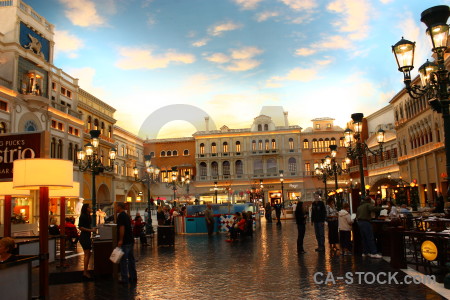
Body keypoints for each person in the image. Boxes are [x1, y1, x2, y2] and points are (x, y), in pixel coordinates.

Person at [117, 202, 137, 284]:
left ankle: (124, 278)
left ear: (119, 207)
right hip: (130, 239)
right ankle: (133, 276)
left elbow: (122, 228)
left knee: (123, 260)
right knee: (131, 259)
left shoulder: (121, 216)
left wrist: (120, 240)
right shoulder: (126, 215)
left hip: (125, 241)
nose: (115, 208)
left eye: (116, 207)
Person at [78, 204, 97, 279]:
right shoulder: (83, 216)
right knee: (87, 253)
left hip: (87, 236)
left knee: (88, 254)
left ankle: (86, 270)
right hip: (84, 237)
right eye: (89, 207)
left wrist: (92, 228)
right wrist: (91, 230)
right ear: (86, 208)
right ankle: (85, 271)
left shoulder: (88, 216)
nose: (91, 208)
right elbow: (81, 227)